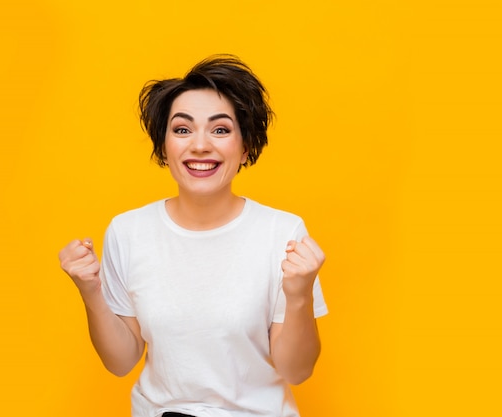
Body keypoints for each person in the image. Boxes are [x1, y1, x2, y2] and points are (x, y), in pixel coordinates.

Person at [58, 55, 328, 417]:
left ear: (245, 147)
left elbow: (297, 371)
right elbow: (121, 362)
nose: (200, 145)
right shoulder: (128, 231)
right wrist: (90, 292)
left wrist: (299, 297)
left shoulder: (282, 232)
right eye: (182, 130)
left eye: (220, 130)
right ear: (164, 147)